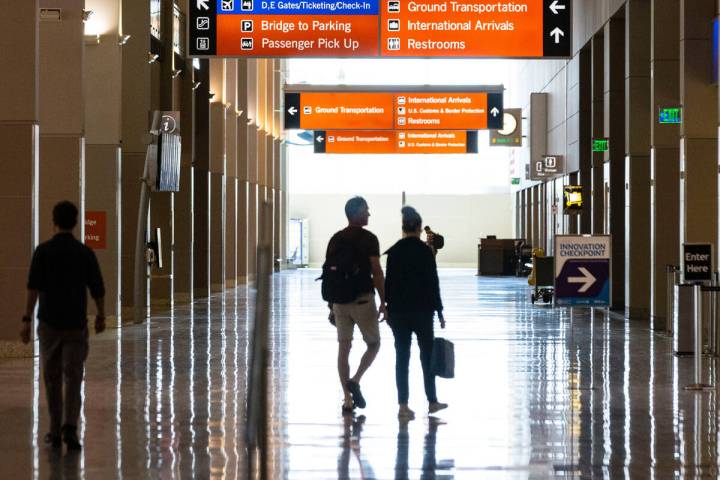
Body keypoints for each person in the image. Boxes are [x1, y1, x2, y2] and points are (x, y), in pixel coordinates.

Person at [20, 201, 106, 451]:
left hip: (49, 324)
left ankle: (54, 429)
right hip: (75, 325)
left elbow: (32, 288)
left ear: (53, 221)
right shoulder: (84, 253)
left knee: (52, 376)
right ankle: (70, 427)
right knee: (74, 375)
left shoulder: (43, 252)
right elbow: (97, 288)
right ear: (76, 222)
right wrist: (100, 315)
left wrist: (26, 319)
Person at [324, 196, 386, 414]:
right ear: (358, 213)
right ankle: (356, 379)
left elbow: (329, 275)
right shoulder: (369, 239)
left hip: (339, 302)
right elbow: (377, 271)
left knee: (344, 348)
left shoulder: (335, 239)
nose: (369, 214)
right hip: (362, 300)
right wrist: (384, 302)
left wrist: (331, 305)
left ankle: (347, 400)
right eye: (367, 210)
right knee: (374, 343)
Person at [385, 206, 447, 419]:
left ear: (403, 227)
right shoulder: (425, 252)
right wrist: (439, 311)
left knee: (402, 358)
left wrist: (387, 309)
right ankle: (432, 401)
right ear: (419, 228)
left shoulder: (393, 252)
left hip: (399, 312)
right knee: (427, 356)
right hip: (423, 312)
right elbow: (433, 283)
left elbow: (388, 283)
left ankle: (403, 406)